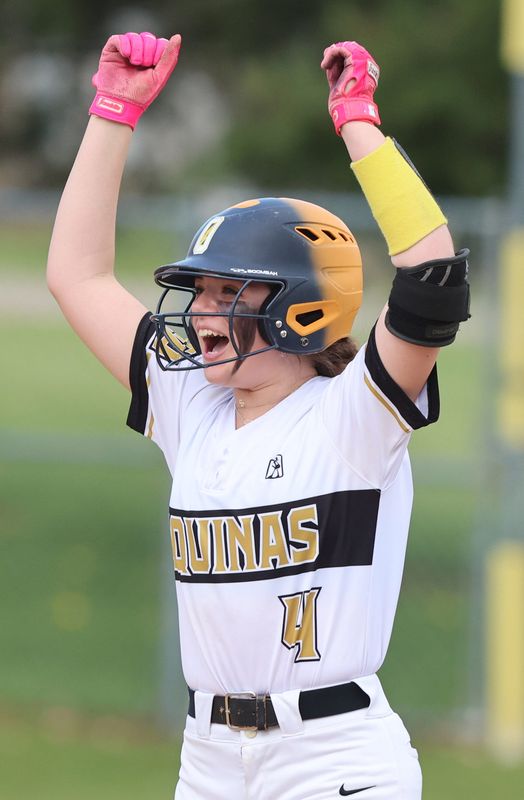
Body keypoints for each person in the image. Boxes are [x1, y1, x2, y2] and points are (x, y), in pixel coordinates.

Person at [47, 31, 470, 800]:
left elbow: (433, 277)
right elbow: (76, 275)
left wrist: (358, 121)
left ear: (302, 311)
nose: (200, 310)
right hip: (207, 759)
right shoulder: (192, 406)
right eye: (200, 291)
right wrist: (113, 111)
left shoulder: (355, 417)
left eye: (225, 291)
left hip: (335, 758)